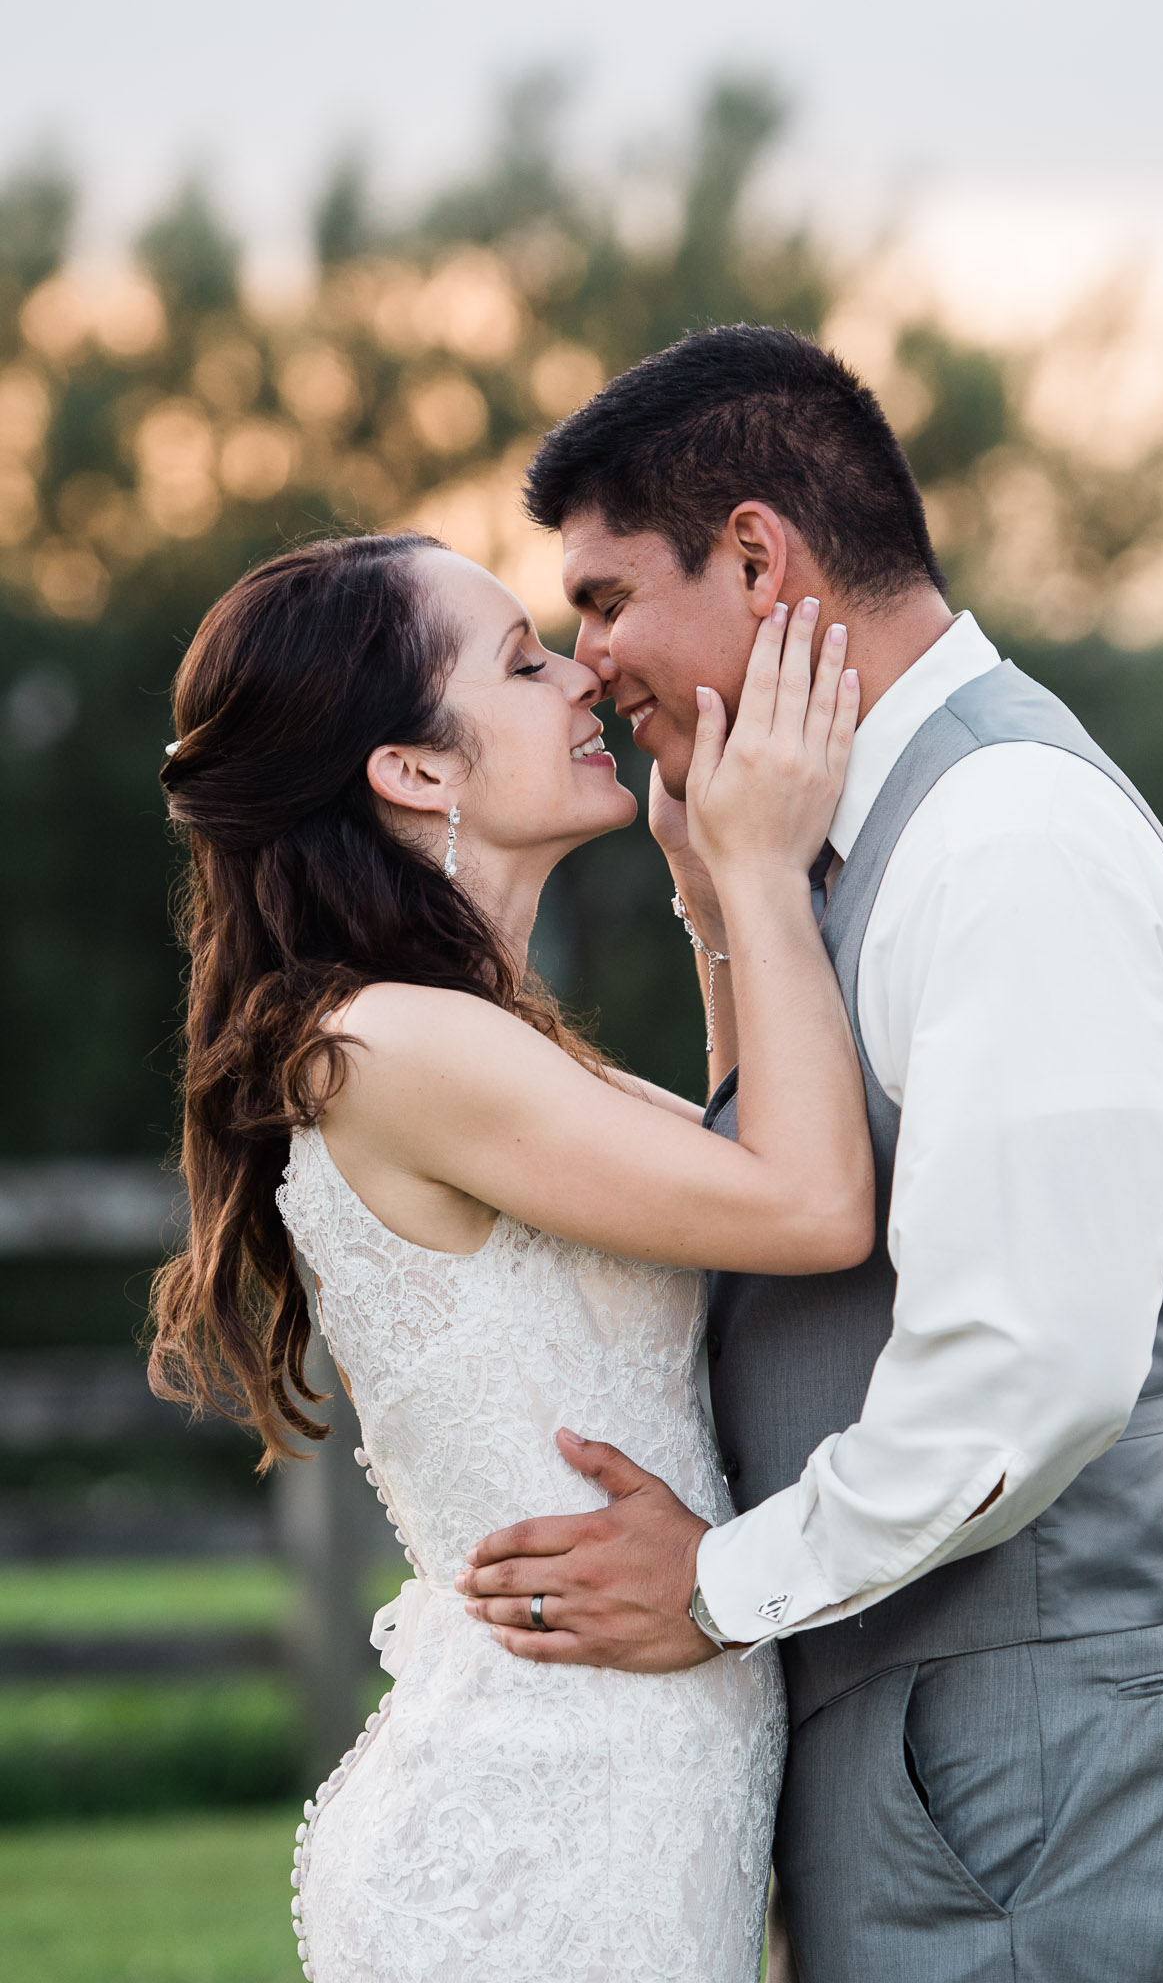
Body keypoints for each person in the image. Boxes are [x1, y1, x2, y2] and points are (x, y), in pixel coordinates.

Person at [460, 325, 1163, 1983]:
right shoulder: (847, 847)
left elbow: (1027, 1368)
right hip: (937, 1733)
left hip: (1016, 1754)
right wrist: (726, 912)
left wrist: (716, 1586)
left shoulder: (1006, 839)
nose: (592, 660)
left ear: (757, 557)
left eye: (607, 601)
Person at [149, 530, 873, 1982]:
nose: (584, 677)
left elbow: (742, 1185)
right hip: (545, 1826)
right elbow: (812, 1209)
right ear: (415, 769)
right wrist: (764, 867)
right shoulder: (395, 1044)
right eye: (524, 662)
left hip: (631, 1791)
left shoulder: (470, 1036)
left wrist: (710, 893)